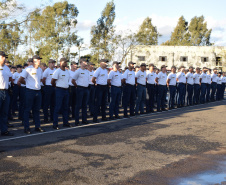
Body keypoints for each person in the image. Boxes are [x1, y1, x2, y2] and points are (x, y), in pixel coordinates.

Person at [18, 55, 45, 134]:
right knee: (27, 110)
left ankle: (37, 126)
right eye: (38, 59)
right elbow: (20, 80)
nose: (39, 61)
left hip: (38, 91)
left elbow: (40, 80)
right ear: (34, 61)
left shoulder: (40, 69)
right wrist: (28, 84)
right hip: (30, 91)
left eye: (40, 59)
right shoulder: (28, 69)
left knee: (36, 110)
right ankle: (27, 128)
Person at [51, 58, 71, 129]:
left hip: (66, 90)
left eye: (66, 62)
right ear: (60, 63)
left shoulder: (67, 71)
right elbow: (52, 81)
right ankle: (55, 124)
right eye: (64, 62)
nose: (66, 63)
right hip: (59, 90)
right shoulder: (57, 71)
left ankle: (65, 122)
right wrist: (56, 87)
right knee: (58, 107)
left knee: (65, 107)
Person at [72, 59, 90, 125]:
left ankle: (84, 120)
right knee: (78, 105)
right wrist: (77, 86)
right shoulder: (78, 71)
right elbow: (73, 80)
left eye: (86, 62)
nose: (86, 63)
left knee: (84, 105)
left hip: (86, 89)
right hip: (80, 88)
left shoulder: (87, 71)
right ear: (81, 63)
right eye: (84, 62)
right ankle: (77, 121)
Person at [0, 51, 14, 136]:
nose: (4, 58)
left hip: (5, 91)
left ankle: (4, 130)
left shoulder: (6, 68)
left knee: (4, 113)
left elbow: (10, 77)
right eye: (2, 57)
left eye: (5, 57)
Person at [92, 59, 109, 123]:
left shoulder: (106, 70)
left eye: (106, 62)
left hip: (105, 86)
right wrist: (96, 84)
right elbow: (93, 79)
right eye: (105, 62)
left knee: (104, 103)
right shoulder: (98, 70)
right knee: (98, 103)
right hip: (99, 87)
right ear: (101, 63)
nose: (106, 64)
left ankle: (103, 117)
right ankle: (95, 118)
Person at [42, 59, 56, 123]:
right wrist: (46, 86)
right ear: (49, 63)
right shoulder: (46, 71)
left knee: (53, 104)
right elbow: (43, 80)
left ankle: (52, 117)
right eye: (52, 63)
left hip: (54, 87)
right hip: (48, 87)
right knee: (46, 104)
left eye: (54, 63)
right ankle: (45, 118)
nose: (53, 64)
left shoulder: (55, 70)